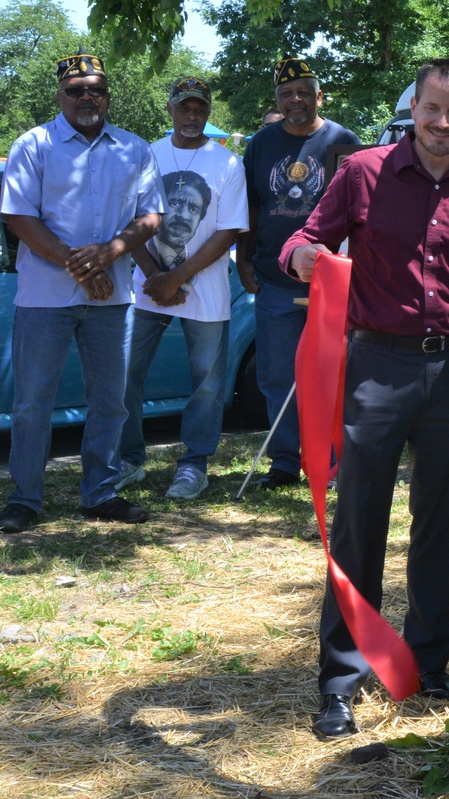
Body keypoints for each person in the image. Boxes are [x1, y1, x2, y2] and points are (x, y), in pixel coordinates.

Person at [280, 58, 449, 740]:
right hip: (376, 367)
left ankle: (427, 663)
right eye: (433, 109)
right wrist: (302, 258)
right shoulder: (362, 170)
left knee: (442, 525)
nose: (443, 122)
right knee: (359, 526)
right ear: (413, 108)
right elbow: (305, 238)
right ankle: (340, 681)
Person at [0, 49, 163, 534]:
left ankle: (100, 493)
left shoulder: (133, 148)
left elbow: (150, 216)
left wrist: (111, 251)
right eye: (76, 90)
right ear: (61, 96)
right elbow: (18, 217)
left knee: (111, 400)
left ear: (108, 96)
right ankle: (26, 498)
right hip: (44, 299)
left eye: (96, 89)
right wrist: (79, 264)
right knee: (33, 401)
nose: (86, 97)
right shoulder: (35, 144)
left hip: (110, 299)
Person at [118, 77, 249, 499]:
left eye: (200, 108)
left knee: (207, 384)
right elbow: (129, 220)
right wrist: (155, 275)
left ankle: (194, 464)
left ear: (207, 112)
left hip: (204, 293)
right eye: (184, 107)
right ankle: (128, 459)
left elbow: (229, 230)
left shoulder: (227, 163)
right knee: (124, 373)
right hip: (144, 288)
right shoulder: (147, 154)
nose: (192, 115)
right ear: (170, 109)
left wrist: (175, 277)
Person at [236, 57, 361, 490]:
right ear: (277, 100)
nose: (295, 100)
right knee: (276, 374)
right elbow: (251, 207)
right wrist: (244, 259)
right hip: (273, 276)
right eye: (287, 94)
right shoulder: (261, 144)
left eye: (304, 92)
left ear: (319, 96)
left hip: (330, 281)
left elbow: (358, 210)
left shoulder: (342, 140)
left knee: (330, 371)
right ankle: (285, 461)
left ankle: (329, 462)